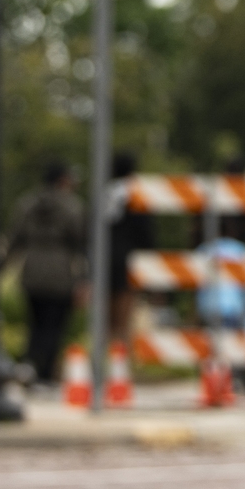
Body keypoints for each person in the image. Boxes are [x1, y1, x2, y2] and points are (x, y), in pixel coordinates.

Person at [5, 161, 87, 387]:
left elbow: (14, 239)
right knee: (55, 325)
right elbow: (82, 243)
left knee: (34, 323)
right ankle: (46, 374)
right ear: (63, 181)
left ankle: (29, 367)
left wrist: (1, 267)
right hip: (60, 272)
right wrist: (84, 278)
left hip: (31, 269)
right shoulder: (72, 206)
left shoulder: (26, 203)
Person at [105, 153, 155, 363]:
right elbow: (145, 230)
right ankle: (121, 362)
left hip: (105, 256)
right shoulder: (135, 194)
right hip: (128, 256)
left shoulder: (105, 192)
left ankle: (106, 359)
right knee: (124, 316)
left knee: (107, 315)